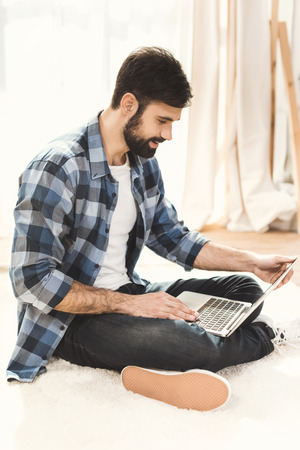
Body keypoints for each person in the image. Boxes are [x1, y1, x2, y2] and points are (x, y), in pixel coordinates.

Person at [7, 47, 299, 412]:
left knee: (244, 289)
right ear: (128, 104)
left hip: (132, 291)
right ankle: (263, 335)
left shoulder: (142, 164)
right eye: (163, 120)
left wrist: (251, 261)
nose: (169, 134)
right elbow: (31, 279)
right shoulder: (58, 167)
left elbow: (174, 238)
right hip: (72, 322)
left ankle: (158, 356)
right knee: (190, 344)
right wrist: (131, 306)